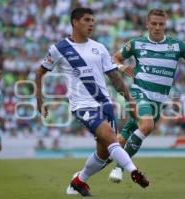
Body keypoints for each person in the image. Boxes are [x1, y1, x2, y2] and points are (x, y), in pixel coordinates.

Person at [35, 7, 149, 197]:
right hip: (82, 106)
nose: (91, 24)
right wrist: (39, 100)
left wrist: (129, 100)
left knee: (104, 154)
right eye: (87, 20)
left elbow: (115, 77)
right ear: (75, 22)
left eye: (93, 21)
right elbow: (39, 73)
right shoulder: (59, 49)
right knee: (112, 139)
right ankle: (134, 172)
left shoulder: (100, 48)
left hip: (105, 105)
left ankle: (78, 181)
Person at [108, 9, 185, 183]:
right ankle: (119, 169)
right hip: (138, 94)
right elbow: (114, 58)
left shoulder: (177, 46)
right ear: (147, 24)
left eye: (161, 24)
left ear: (165, 25)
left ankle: (82, 175)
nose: (157, 27)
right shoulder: (137, 44)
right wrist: (121, 67)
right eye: (153, 23)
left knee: (118, 142)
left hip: (158, 102)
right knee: (147, 125)